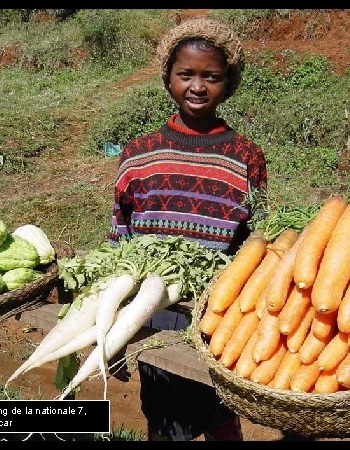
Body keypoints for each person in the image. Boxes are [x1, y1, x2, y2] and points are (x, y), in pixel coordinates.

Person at [108, 18, 267, 441]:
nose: (198, 86)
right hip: (151, 304)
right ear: (168, 78)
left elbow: (255, 238)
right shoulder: (140, 153)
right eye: (186, 75)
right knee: (164, 415)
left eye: (211, 76)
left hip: (216, 306)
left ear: (228, 82)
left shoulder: (245, 157)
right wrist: (115, 312)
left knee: (219, 402)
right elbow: (118, 231)